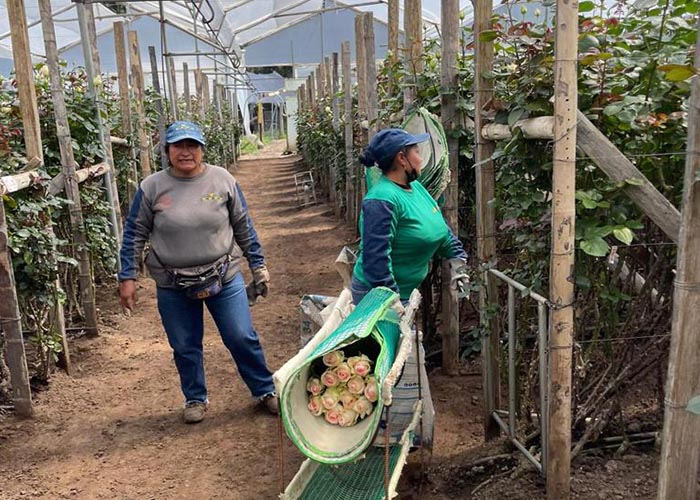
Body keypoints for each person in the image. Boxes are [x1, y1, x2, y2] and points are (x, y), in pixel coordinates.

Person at [118, 120, 278, 424]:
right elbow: (134, 234)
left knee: (241, 335)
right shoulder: (151, 187)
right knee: (184, 344)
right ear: (167, 151)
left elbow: (243, 226)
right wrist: (127, 277)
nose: (186, 152)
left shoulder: (222, 180)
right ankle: (195, 397)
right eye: (178, 145)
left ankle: (264, 389)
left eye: (192, 145)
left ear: (202, 149)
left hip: (223, 274)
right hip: (172, 282)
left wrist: (258, 265)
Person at [351, 128, 468, 306]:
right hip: (376, 295)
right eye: (417, 152)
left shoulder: (416, 188)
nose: (421, 159)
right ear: (401, 158)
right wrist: (390, 300)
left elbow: (439, 227)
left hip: (404, 292)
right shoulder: (381, 200)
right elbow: (376, 259)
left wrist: (457, 258)